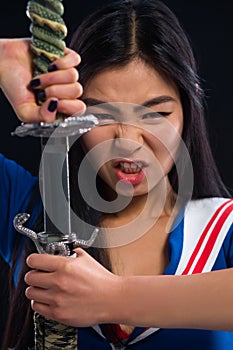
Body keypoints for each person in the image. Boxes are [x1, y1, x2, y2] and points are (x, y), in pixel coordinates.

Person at [0, 1, 233, 349]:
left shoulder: (222, 226)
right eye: (101, 115)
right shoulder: (27, 207)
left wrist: (113, 297)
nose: (128, 142)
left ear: (189, 109)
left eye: (155, 114)